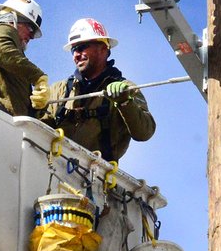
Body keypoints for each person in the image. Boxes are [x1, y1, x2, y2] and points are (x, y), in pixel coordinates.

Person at [40, 18, 155, 162]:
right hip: (55, 166)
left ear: (103, 48)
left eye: (81, 47)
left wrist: (125, 102)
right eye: (73, 50)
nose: (76, 55)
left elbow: (144, 132)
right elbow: (40, 127)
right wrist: (36, 108)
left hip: (96, 171)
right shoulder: (60, 90)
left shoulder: (126, 89)